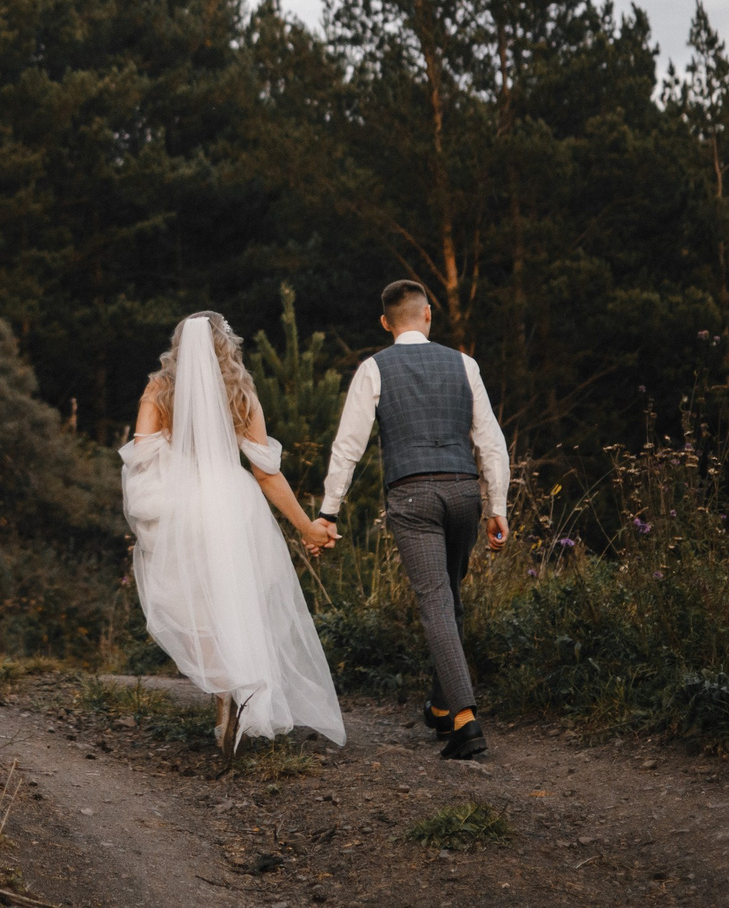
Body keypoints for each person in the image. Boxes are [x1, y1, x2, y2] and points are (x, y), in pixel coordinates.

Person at [120, 311, 345, 753]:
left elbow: (141, 463)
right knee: (238, 599)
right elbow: (266, 475)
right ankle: (237, 693)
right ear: (228, 346)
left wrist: (151, 513)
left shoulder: (158, 391)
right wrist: (306, 526)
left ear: (179, 346)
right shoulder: (242, 394)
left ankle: (222, 689)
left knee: (191, 605)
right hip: (233, 504)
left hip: (181, 507)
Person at [316, 280, 511, 761]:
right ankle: (443, 707)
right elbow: (490, 439)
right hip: (465, 492)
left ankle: (465, 720)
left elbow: (348, 447)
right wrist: (498, 506)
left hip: (412, 496)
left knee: (435, 602)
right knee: (450, 597)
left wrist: (328, 512)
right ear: (428, 315)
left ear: (385, 323)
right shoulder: (464, 364)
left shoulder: (373, 368)